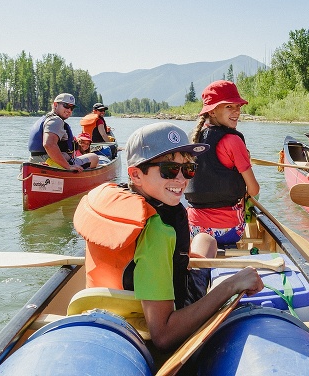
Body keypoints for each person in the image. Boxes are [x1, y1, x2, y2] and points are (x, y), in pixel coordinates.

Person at [73, 122, 264, 350]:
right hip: (148, 326)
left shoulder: (118, 201)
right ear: (136, 174)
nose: (182, 180)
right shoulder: (157, 230)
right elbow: (163, 336)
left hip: (108, 313)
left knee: (205, 240)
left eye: (189, 168)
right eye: (169, 169)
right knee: (207, 242)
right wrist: (231, 285)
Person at [184, 80, 260, 246]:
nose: (236, 111)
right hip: (228, 231)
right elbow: (254, 189)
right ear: (212, 111)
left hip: (193, 227)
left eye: (238, 106)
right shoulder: (233, 141)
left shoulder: (191, 138)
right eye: (229, 106)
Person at [27, 93, 98, 171]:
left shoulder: (44, 119)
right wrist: (68, 167)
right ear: (55, 105)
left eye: (72, 108)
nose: (69, 110)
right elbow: (49, 144)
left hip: (34, 160)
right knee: (94, 157)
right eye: (66, 106)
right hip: (50, 163)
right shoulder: (56, 120)